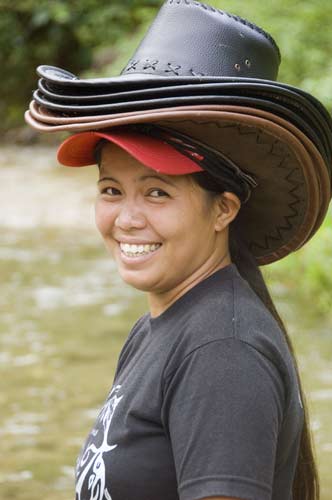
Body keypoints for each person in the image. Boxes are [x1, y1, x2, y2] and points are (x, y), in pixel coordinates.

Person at [25, 1, 332, 499]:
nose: (126, 218)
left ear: (222, 210)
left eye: (157, 192)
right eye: (111, 190)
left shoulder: (223, 354)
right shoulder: (163, 326)